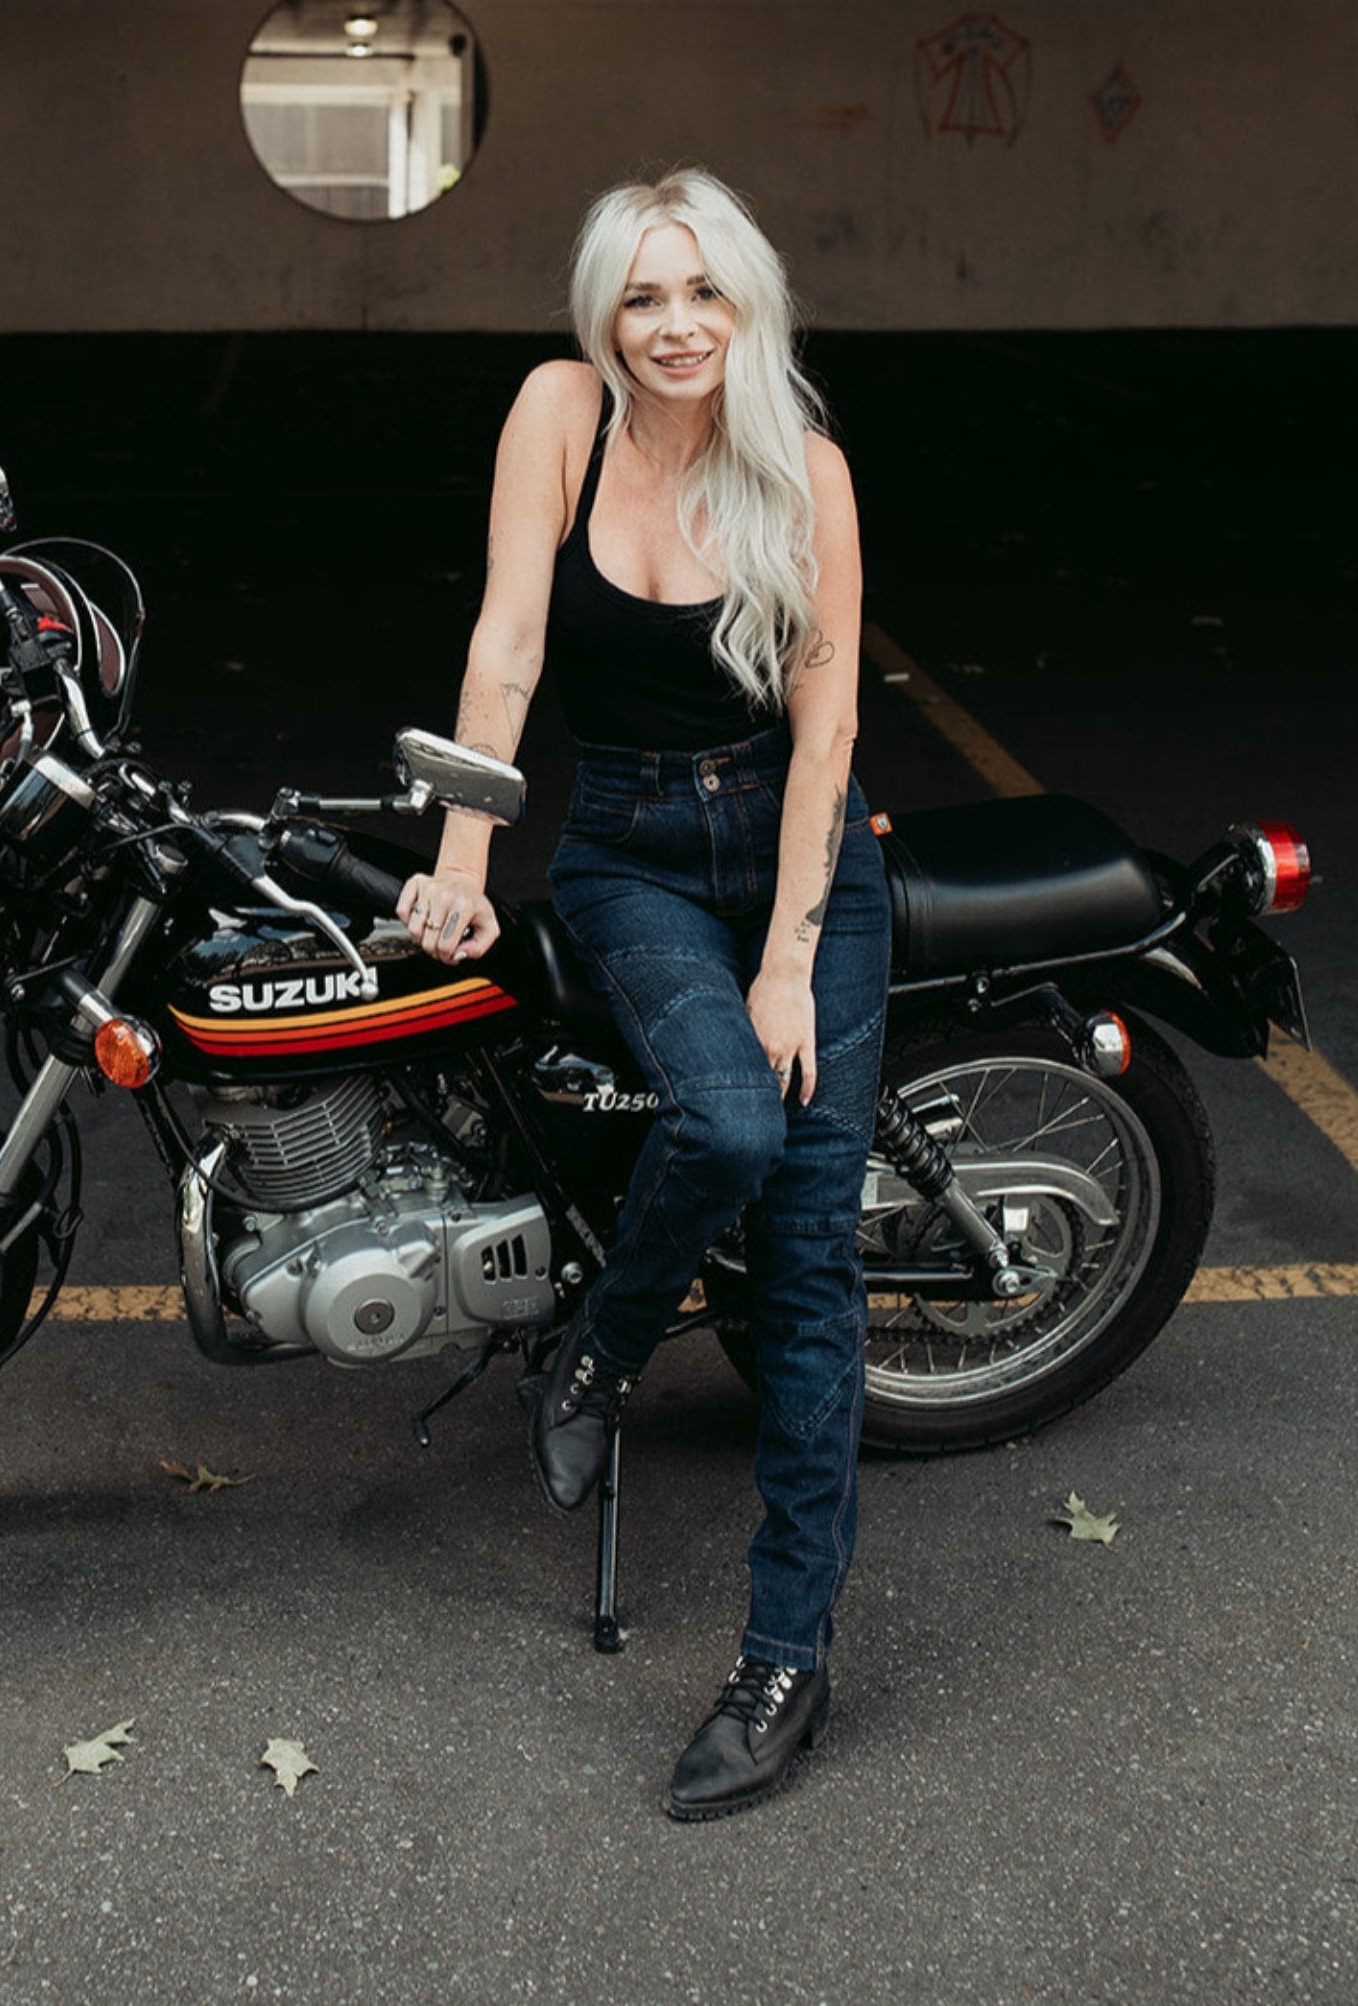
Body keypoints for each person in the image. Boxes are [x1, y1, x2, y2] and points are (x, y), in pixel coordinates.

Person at [396, 167, 891, 1821]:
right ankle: (604, 1354)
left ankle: (783, 1660)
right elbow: (511, 642)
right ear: (601, 313)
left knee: (811, 1266)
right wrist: (466, 851)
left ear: (748, 306)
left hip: (799, 855)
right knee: (729, 1123)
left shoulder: (804, 469)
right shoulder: (559, 414)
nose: (673, 327)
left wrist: (790, 961)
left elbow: (826, 734)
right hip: (624, 845)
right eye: (641, 297)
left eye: (703, 295)